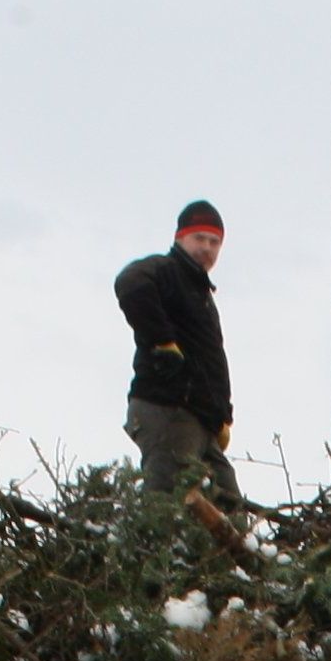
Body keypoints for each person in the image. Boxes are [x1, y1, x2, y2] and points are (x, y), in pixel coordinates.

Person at [115, 200, 237, 504]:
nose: (207, 247)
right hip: (167, 407)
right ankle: (151, 549)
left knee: (228, 501)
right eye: (199, 238)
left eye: (215, 242)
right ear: (179, 238)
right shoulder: (166, 270)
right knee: (167, 503)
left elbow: (208, 361)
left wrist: (222, 416)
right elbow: (130, 283)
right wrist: (162, 343)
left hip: (199, 418)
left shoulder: (200, 293)